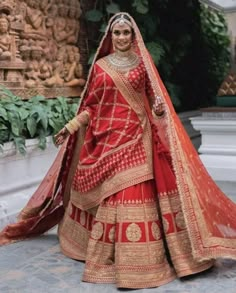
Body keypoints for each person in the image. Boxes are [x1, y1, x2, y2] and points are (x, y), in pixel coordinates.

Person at [0, 12, 236, 289]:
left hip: (138, 137)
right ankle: (108, 256)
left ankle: (141, 265)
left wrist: (159, 109)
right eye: (117, 33)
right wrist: (70, 126)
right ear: (110, 37)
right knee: (109, 192)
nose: (122, 37)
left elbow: (154, 99)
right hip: (106, 139)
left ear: (134, 36)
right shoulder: (101, 67)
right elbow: (91, 107)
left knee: (128, 194)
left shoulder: (143, 66)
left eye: (126, 33)